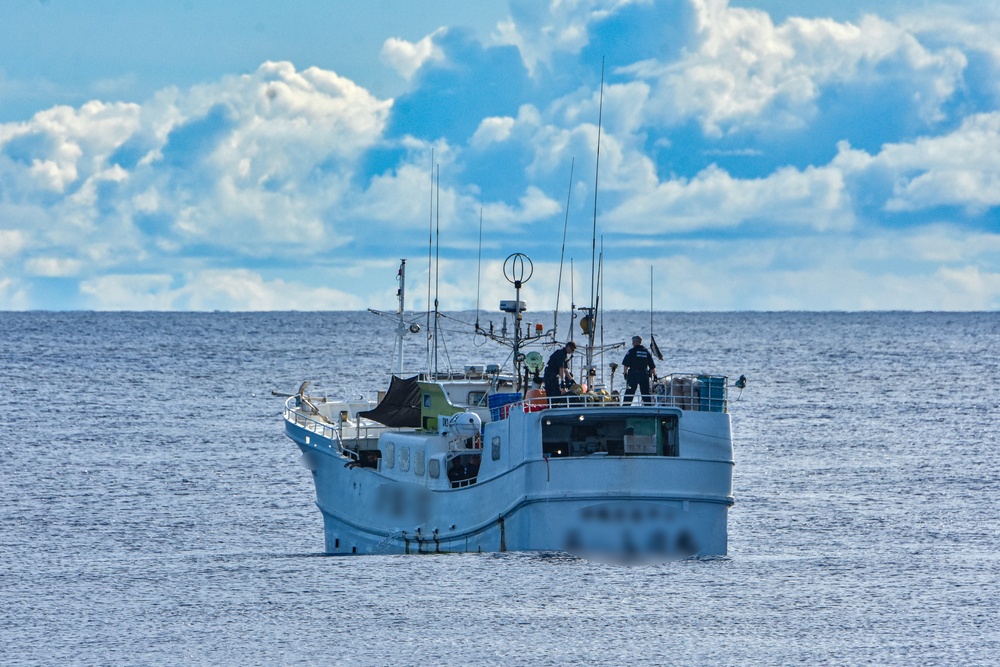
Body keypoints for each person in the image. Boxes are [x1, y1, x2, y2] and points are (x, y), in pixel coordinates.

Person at [621, 335, 656, 405]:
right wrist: (655, 375)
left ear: (635, 342)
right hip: (644, 376)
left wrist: (625, 374)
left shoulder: (631, 351)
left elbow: (625, 365)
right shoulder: (646, 352)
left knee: (629, 391)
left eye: (633, 342)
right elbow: (652, 366)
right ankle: (648, 407)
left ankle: (626, 406)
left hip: (632, 376)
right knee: (646, 392)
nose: (632, 344)